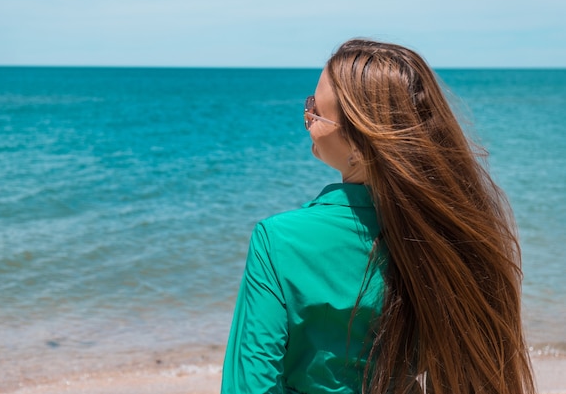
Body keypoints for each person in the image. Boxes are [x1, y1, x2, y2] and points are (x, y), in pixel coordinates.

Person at [221, 39, 535, 394]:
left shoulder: (277, 240)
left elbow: (248, 386)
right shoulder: (450, 233)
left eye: (315, 110)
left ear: (359, 143)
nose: (307, 118)